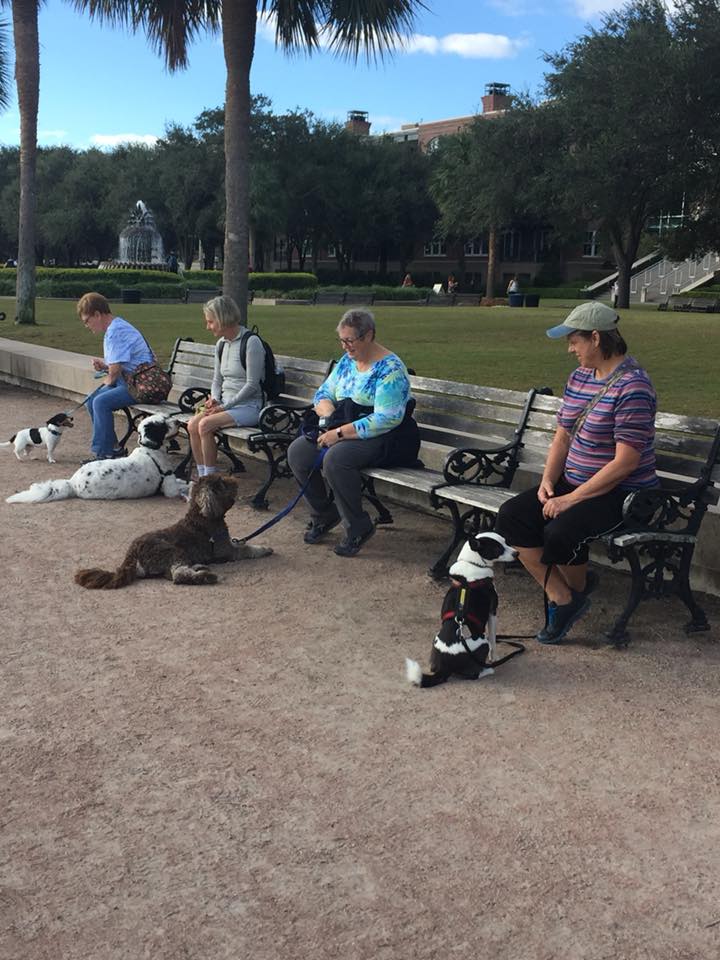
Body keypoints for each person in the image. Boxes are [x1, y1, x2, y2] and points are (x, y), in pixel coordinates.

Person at [495, 301, 657, 644]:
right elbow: (563, 434)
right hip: (575, 481)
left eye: (574, 341)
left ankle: (573, 590)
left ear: (596, 338)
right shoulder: (580, 377)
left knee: (560, 532)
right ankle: (565, 597)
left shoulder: (633, 388)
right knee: (512, 516)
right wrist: (548, 481)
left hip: (623, 493)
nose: (570, 349)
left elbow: (625, 463)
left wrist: (570, 500)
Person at [287, 308, 420, 557]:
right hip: (342, 425)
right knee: (298, 452)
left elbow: (386, 418)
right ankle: (324, 514)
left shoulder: (390, 368)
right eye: (342, 340)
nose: (345, 347)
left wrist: (338, 434)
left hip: (384, 437)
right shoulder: (347, 362)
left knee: (336, 459)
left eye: (350, 340)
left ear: (368, 335)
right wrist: (326, 412)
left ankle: (358, 525)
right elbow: (323, 393)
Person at [186, 295, 264, 477]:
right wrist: (214, 399)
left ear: (222, 319)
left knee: (204, 425)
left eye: (211, 322)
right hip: (226, 404)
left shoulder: (251, 342)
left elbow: (252, 385)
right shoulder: (221, 344)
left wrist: (223, 406)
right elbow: (217, 379)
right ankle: (202, 473)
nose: (208, 326)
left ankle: (209, 478)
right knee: (192, 425)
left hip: (248, 406)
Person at [78, 292, 157, 462]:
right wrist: (106, 366)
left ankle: (105, 452)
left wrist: (107, 380)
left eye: (87, 321)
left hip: (141, 385)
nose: (86, 326)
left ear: (97, 315)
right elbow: (118, 365)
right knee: (93, 400)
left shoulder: (115, 331)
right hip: (134, 381)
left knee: (99, 401)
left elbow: (114, 374)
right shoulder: (116, 327)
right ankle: (112, 448)